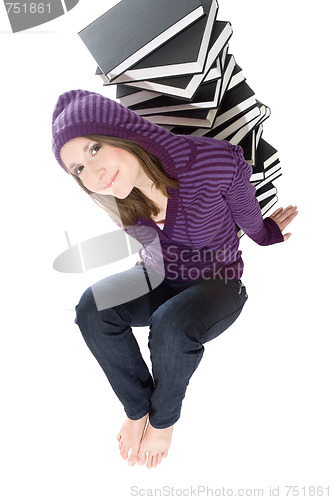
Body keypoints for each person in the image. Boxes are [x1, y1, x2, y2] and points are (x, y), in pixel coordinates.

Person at [52, 89, 298, 469]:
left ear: (123, 131)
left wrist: (266, 234)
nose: (93, 174)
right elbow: (154, 250)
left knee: (169, 323)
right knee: (92, 306)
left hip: (217, 283)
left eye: (94, 149)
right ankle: (137, 409)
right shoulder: (119, 193)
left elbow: (246, 210)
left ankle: (163, 421)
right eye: (78, 170)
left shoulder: (211, 163)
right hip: (156, 275)